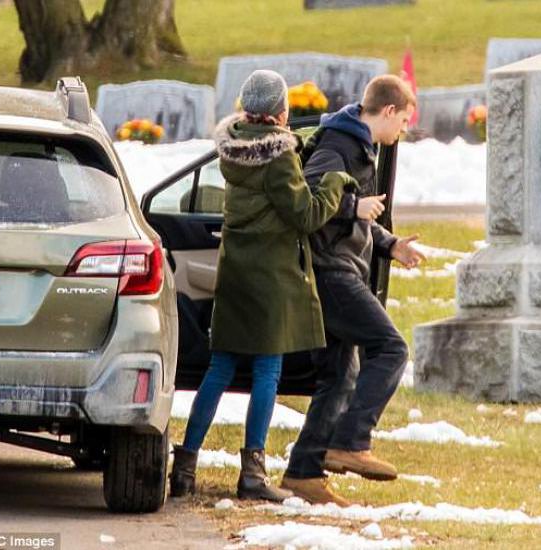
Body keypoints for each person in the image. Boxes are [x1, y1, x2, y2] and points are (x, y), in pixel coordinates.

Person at [169, 70, 359, 502]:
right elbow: (306, 214)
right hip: (270, 279)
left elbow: (273, 181)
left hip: (235, 273)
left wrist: (300, 149)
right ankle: (252, 473)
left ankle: (184, 466)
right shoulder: (279, 158)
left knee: (218, 371)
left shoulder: (233, 149)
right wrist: (335, 181)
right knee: (266, 373)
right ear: (280, 111)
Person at [281, 75, 426, 506]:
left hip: (342, 267)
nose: (401, 131)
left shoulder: (359, 144)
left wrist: (389, 244)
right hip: (331, 271)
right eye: (402, 121)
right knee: (391, 348)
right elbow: (306, 198)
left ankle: (303, 474)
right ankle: (350, 442)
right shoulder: (340, 145)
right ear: (387, 111)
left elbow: (359, 217)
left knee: (339, 375)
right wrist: (353, 207)